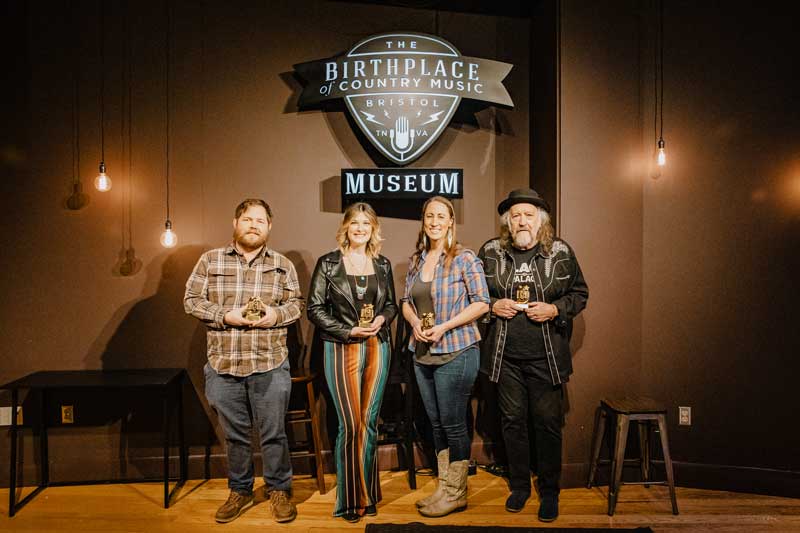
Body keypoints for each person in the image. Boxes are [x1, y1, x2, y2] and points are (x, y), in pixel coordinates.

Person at [184, 198, 303, 524]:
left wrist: (274, 315)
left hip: (269, 364)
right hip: (224, 366)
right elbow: (191, 301)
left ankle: (279, 489)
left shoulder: (282, 265)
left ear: (269, 227)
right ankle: (240, 489)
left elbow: (296, 306)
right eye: (248, 219)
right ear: (235, 223)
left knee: (274, 433)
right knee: (235, 436)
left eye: (260, 220)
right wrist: (226, 315)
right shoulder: (210, 261)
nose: (253, 225)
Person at [478, 188, 589, 522]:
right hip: (504, 356)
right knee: (512, 423)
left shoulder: (560, 251)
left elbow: (580, 293)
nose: (521, 220)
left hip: (547, 357)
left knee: (547, 424)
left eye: (528, 214)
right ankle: (520, 487)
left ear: (541, 219)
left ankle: (550, 490)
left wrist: (555, 309)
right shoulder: (491, 251)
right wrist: (492, 306)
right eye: (515, 215)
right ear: (507, 222)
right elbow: (475, 296)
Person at [307, 202, 398, 523]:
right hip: (340, 347)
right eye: (354, 223)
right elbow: (314, 310)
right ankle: (349, 500)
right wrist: (348, 329)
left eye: (366, 223)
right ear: (345, 227)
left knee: (370, 422)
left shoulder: (383, 264)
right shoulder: (328, 264)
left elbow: (391, 305)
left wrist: (382, 321)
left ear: (374, 229)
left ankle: (368, 494)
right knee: (350, 424)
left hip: (377, 346)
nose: (360, 228)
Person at [402, 196, 490, 518]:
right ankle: (444, 487)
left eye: (441, 216)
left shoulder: (465, 258)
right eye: (429, 216)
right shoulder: (417, 259)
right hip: (422, 353)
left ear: (451, 221)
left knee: (454, 425)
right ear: (423, 221)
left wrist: (444, 327)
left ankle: (457, 493)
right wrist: (414, 324)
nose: (435, 221)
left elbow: (482, 303)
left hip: (457, 350)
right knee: (436, 424)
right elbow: (406, 301)